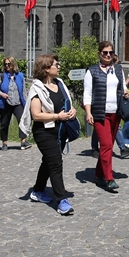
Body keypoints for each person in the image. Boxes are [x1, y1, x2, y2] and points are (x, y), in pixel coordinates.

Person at [19, 54, 76, 215]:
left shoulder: (60, 84)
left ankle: (38, 190)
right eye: (56, 65)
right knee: (56, 163)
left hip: (60, 131)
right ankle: (62, 200)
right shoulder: (37, 88)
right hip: (44, 132)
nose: (59, 67)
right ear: (46, 68)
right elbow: (36, 115)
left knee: (48, 161)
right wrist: (57, 116)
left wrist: (72, 110)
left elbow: (68, 103)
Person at [84, 41, 129, 190]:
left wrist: (125, 92)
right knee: (106, 145)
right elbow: (87, 93)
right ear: (99, 54)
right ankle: (109, 178)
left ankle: (99, 175)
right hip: (100, 114)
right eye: (105, 52)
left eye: (111, 52)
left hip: (115, 113)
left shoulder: (118, 69)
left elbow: (122, 86)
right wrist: (88, 112)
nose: (108, 55)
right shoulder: (92, 71)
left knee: (107, 146)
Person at [0, 56, 31, 151]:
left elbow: (23, 91)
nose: (7, 66)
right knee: (4, 123)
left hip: (18, 102)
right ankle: (4, 142)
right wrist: (1, 94)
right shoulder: (1, 76)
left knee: (22, 121)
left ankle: (23, 141)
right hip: (5, 103)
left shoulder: (20, 76)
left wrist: (26, 103)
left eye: (9, 64)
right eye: (5, 64)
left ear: (13, 64)